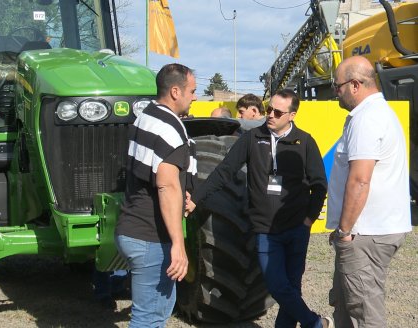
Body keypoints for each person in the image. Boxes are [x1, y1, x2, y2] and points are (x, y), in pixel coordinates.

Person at [186, 89, 332, 328]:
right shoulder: (252, 138)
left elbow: (319, 184)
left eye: (277, 112)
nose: (270, 115)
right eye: (268, 109)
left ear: (292, 115)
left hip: (297, 228)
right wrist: (196, 198)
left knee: (291, 287)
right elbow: (224, 172)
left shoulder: (305, 141)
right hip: (266, 230)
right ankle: (315, 323)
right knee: (276, 285)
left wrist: (309, 219)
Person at [326, 56, 412, 327]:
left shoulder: (367, 118)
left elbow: (360, 180)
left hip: (365, 233)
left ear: (354, 85)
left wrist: (345, 231)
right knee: (345, 305)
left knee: (364, 312)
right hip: (368, 231)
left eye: (337, 86)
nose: (335, 92)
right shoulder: (376, 114)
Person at [115, 63, 197, 327]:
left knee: (155, 313)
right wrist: (178, 244)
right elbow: (166, 186)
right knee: (149, 318)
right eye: (192, 91)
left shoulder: (147, 116)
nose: (195, 97)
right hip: (150, 236)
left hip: (132, 228)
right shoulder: (169, 128)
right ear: (175, 91)